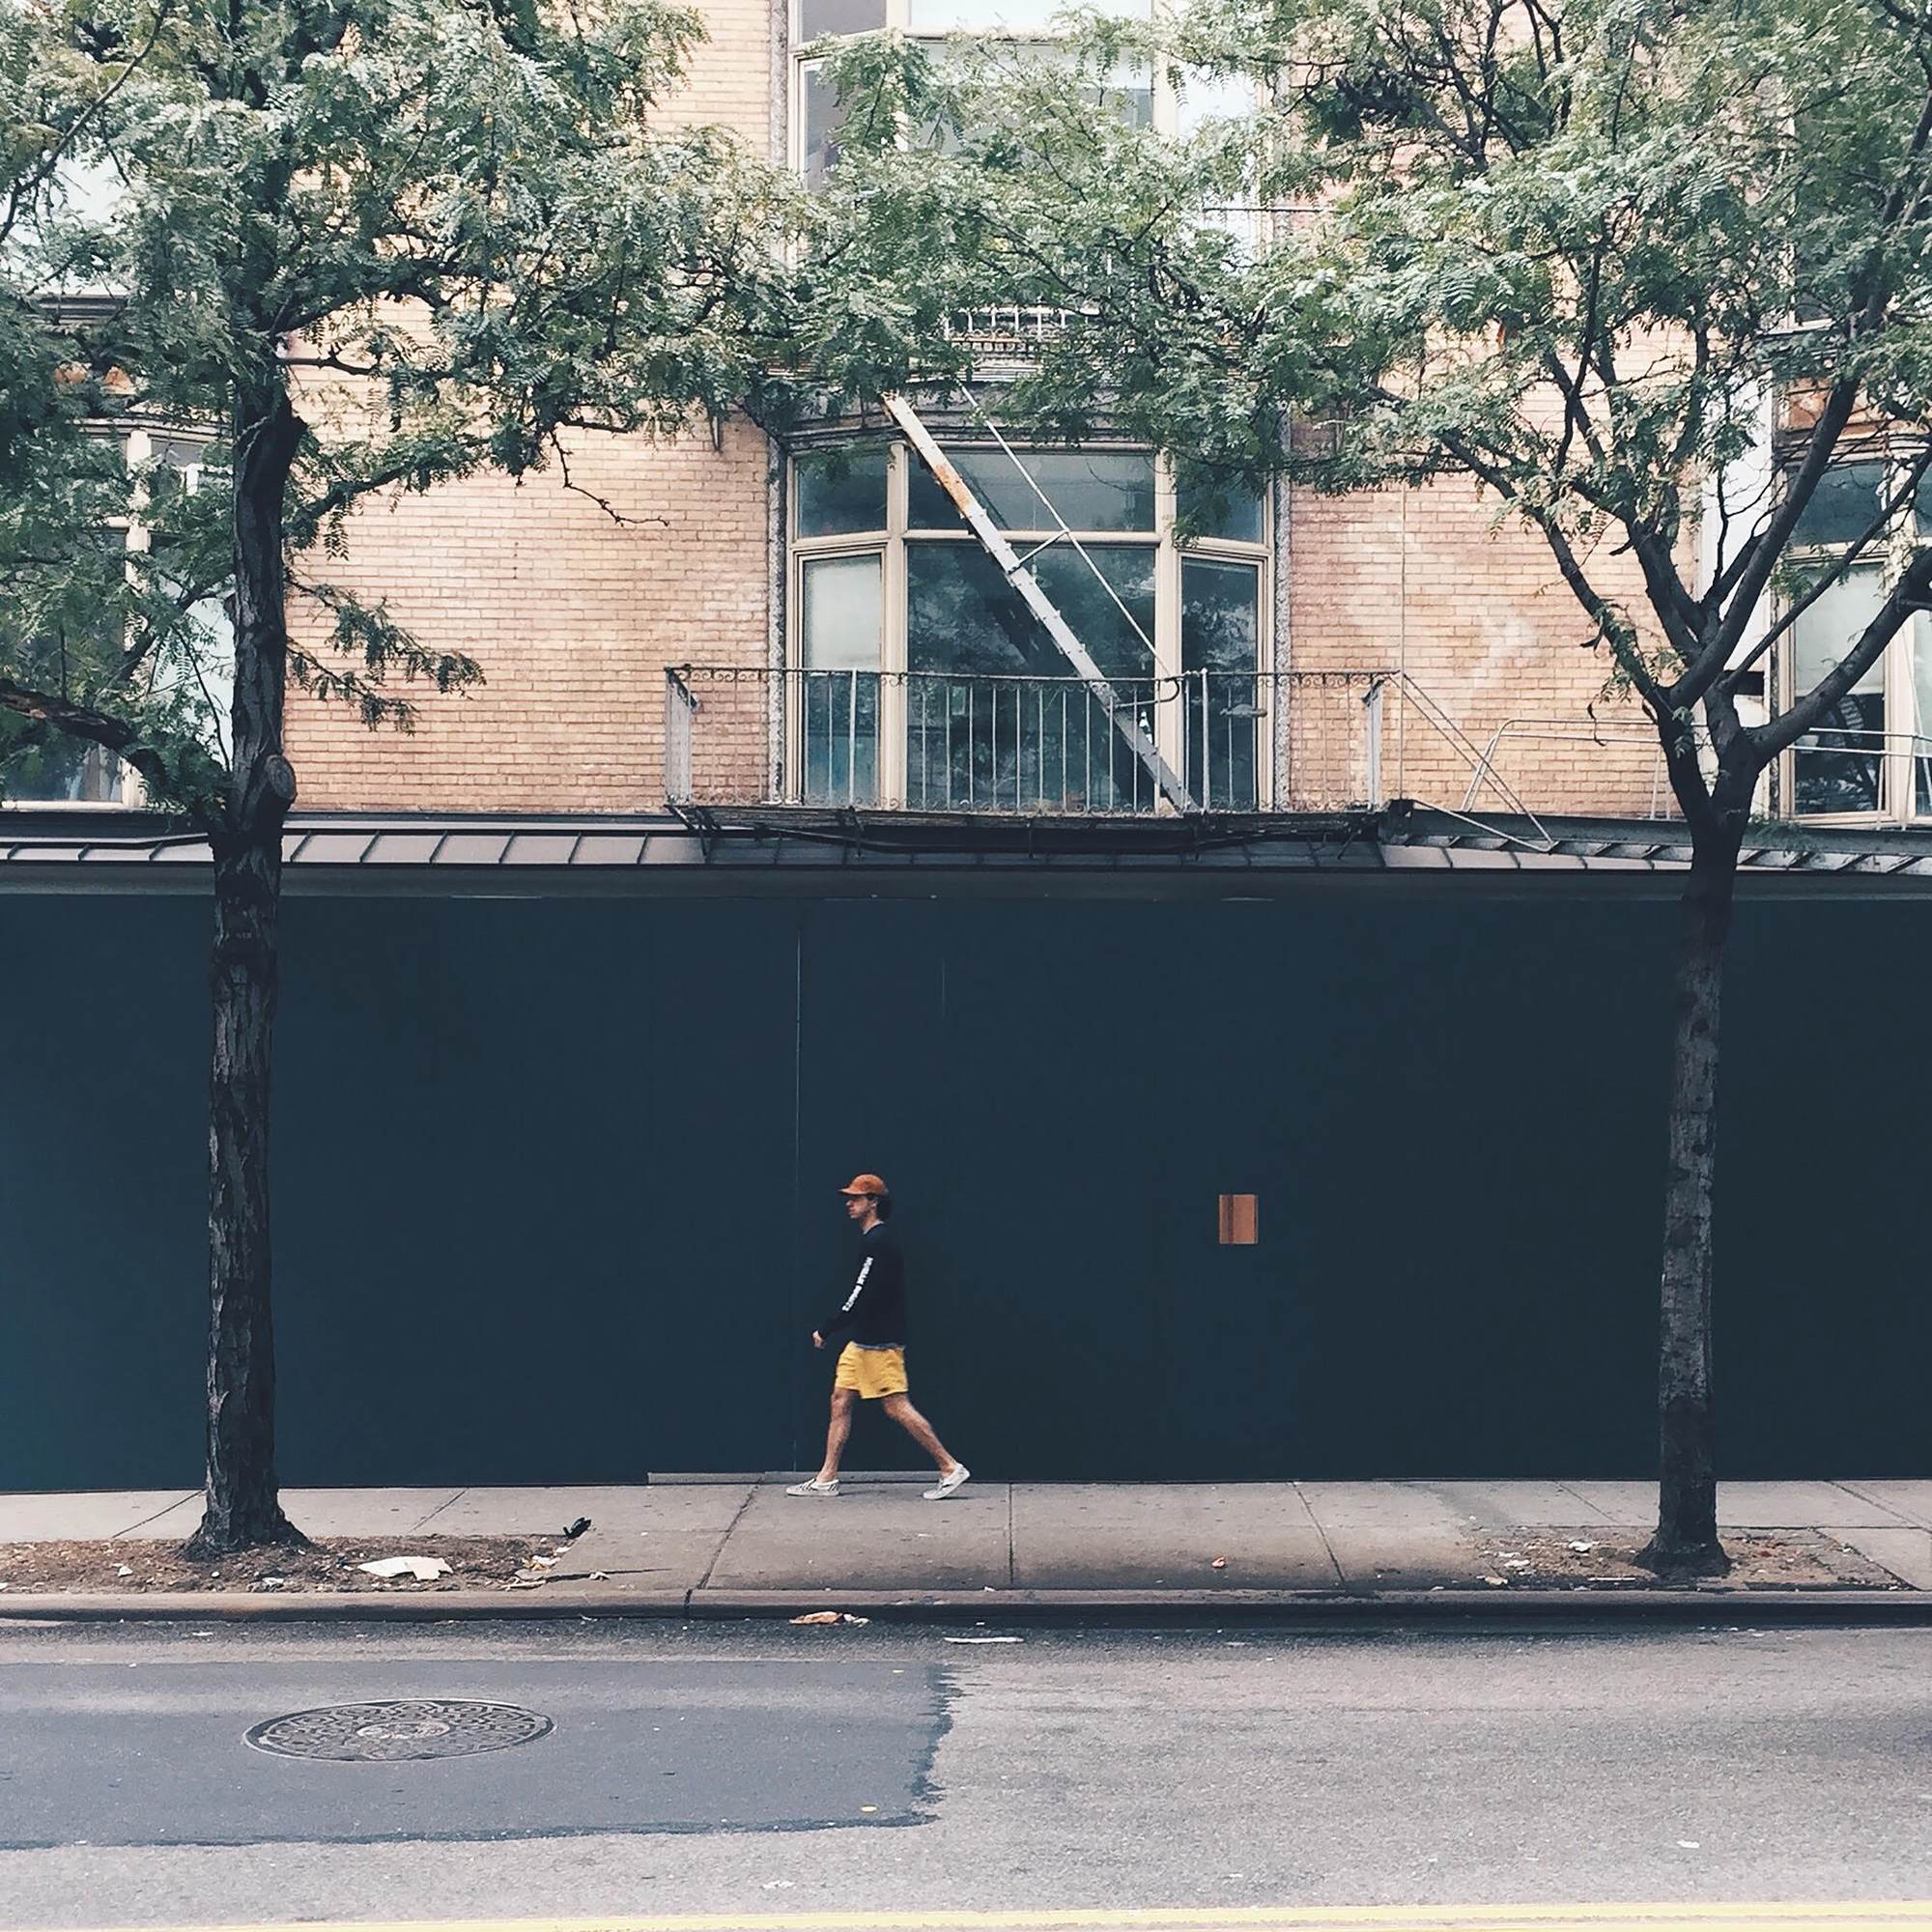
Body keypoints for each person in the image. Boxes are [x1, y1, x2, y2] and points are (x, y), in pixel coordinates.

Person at [786, 1174, 969, 1502]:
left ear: (874, 1202)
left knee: (896, 1407)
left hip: (880, 1344)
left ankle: (949, 1467)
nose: (849, 1202)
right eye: (850, 1197)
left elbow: (860, 1295)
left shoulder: (879, 1242)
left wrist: (828, 1328)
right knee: (840, 1399)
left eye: (857, 1198)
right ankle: (826, 1478)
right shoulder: (873, 1241)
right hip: (862, 1343)